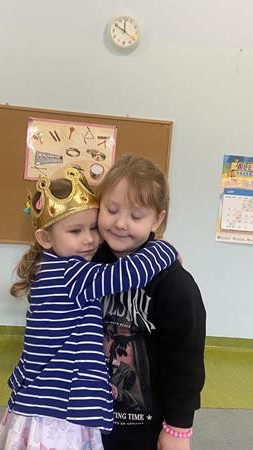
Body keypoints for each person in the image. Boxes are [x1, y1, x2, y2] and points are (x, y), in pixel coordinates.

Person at [0, 166, 179, 450]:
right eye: (75, 231)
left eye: (93, 228)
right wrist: (165, 250)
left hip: (43, 402)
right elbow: (128, 274)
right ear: (46, 239)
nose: (90, 239)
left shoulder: (49, 268)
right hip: (59, 411)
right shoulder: (71, 274)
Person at [94, 154, 206, 450]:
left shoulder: (173, 284)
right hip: (87, 421)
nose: (120, 223)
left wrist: (178, 427)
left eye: (136, 216)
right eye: (111, 209)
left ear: (157, 219)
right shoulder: (87, 267)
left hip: (144, 428)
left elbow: (185, 360)